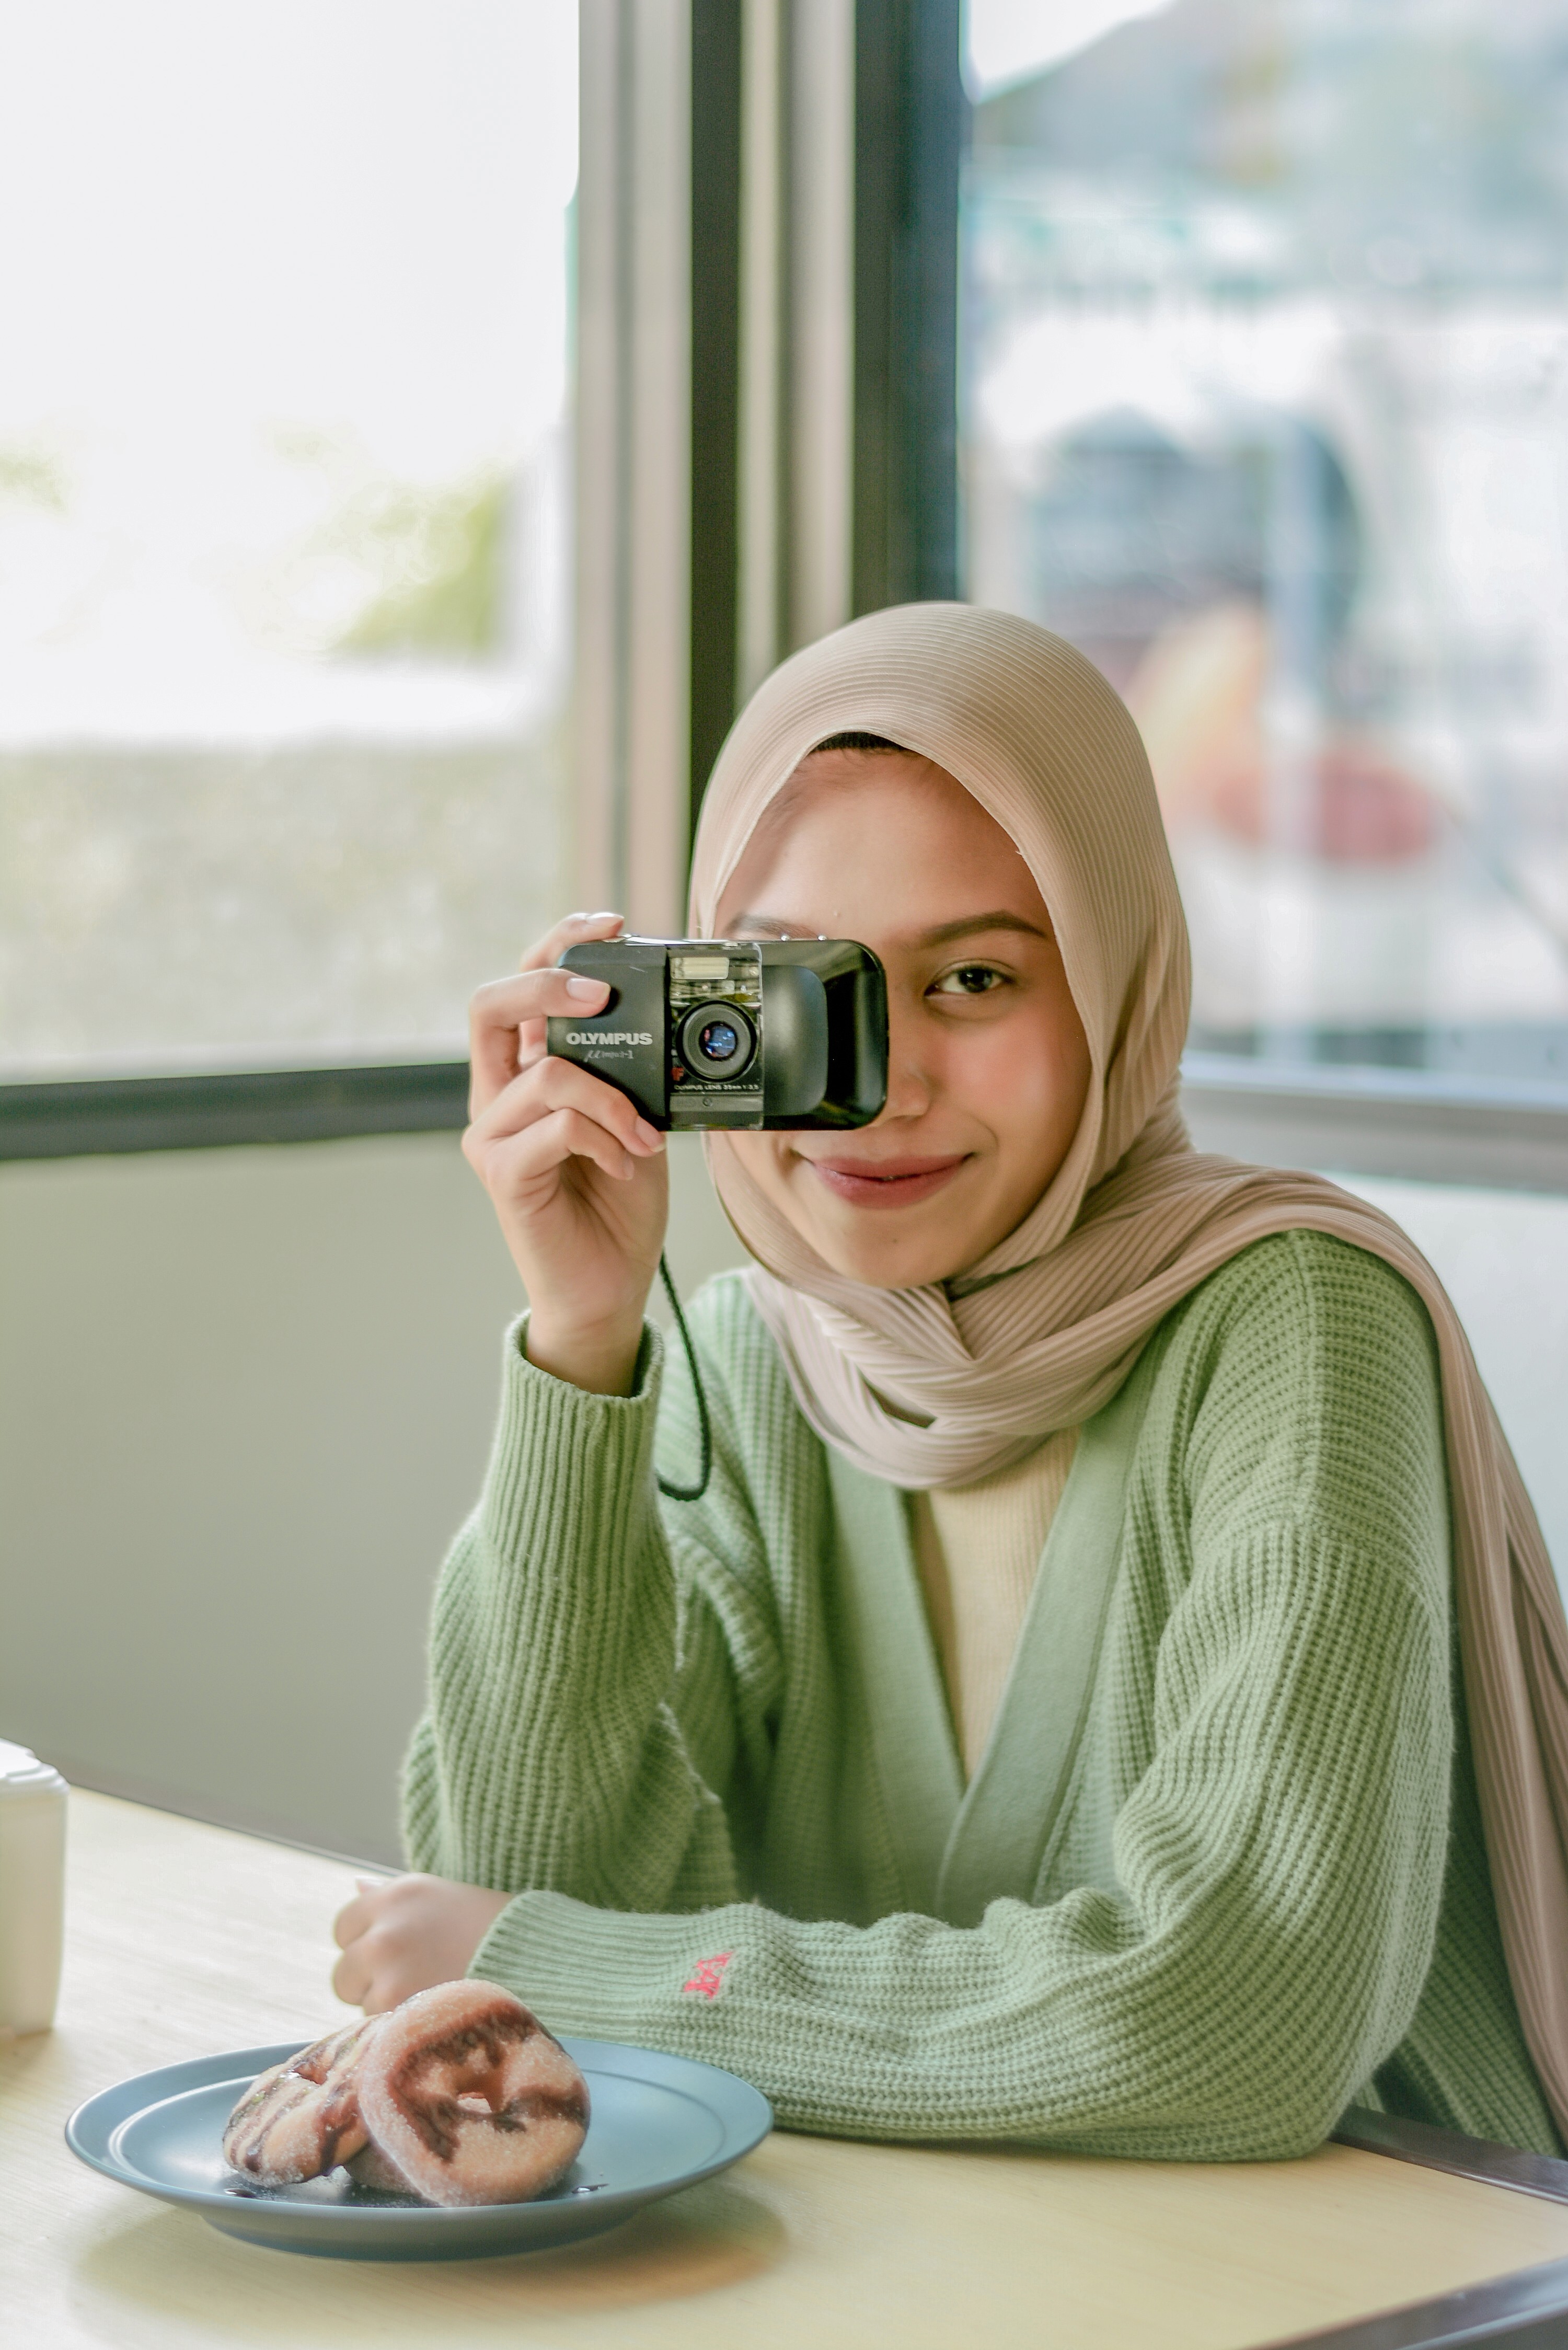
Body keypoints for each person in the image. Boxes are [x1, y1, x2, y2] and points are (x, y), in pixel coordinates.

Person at [332, 603, 1568, 2161]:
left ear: (1115, 982)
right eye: (801, 990)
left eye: (975, 979)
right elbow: (521, 1878)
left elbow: (1235, 2018)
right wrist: (584, 1348)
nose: (886, 1084)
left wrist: (571, 1974)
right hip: (927, 2249)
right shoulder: (751, 1363)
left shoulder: (1296, 1320)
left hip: (1386, 2261)